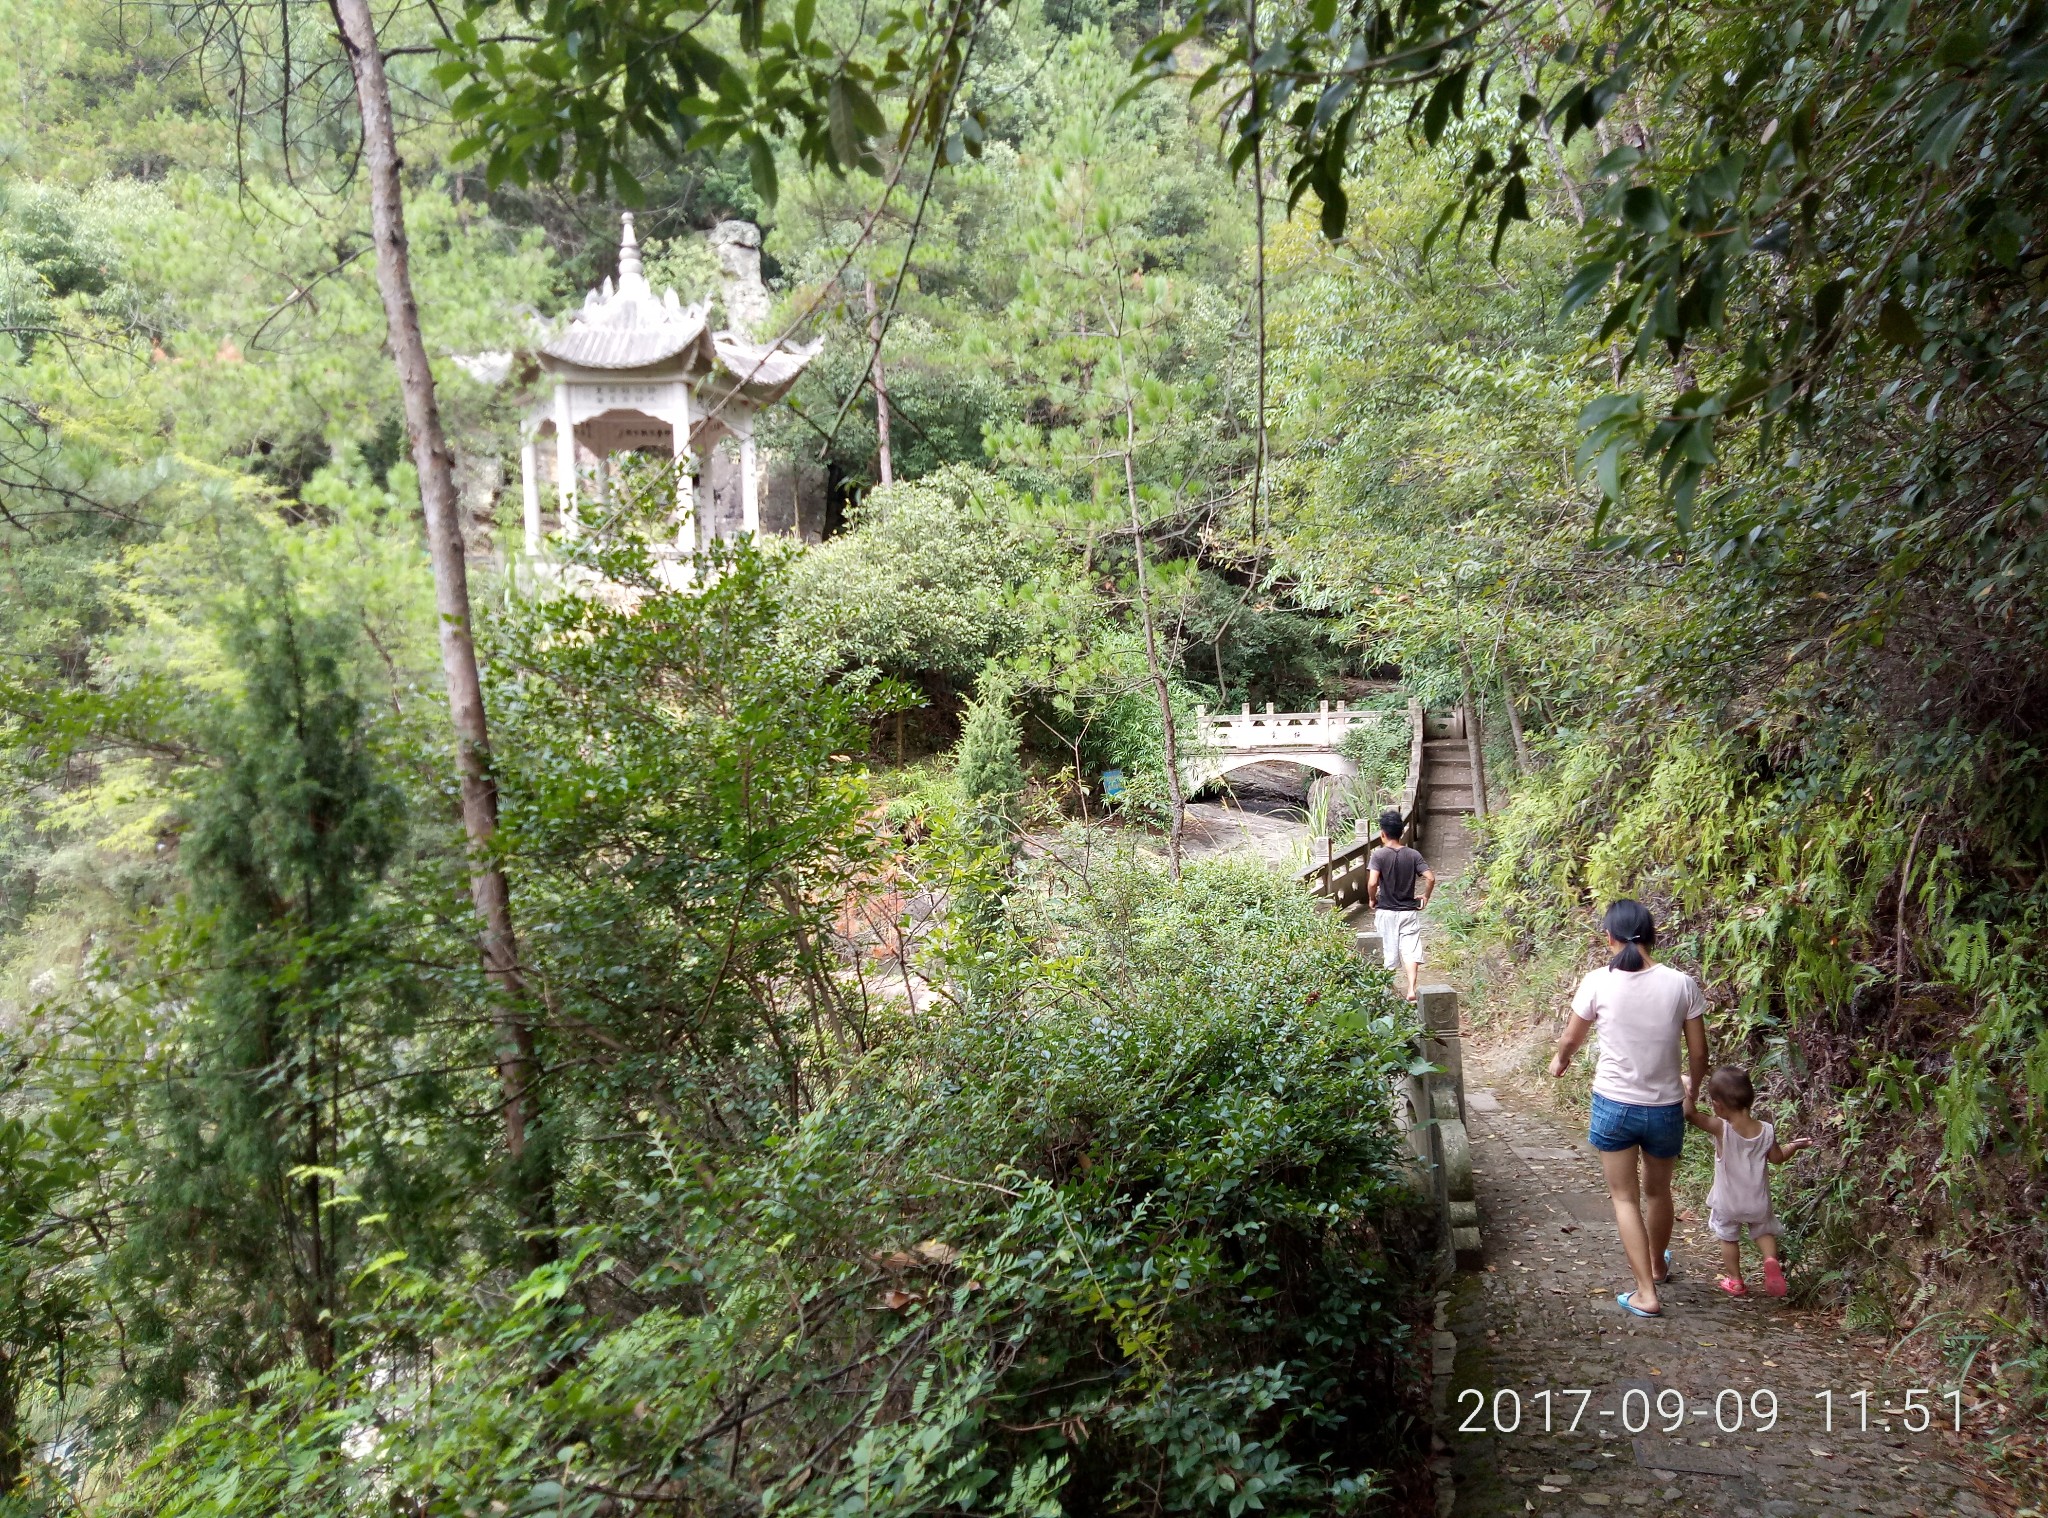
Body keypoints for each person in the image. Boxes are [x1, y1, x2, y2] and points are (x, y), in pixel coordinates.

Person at [1547, 900, 1709, 1319]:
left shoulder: (1597, 982)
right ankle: (1658, 1266)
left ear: (1609, 938)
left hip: (1614, 1104)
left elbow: (1570, 1039)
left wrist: (1560, 1062)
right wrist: (1691, 1094)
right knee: (1658, 1191)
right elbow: (1699, 1052)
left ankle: (1645, 1292)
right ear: (1653, 935)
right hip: (1665, 1108)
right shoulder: (1681, 984)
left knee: (1624, 1199)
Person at [1685, 1065, 1814, 1297]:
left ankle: (1735, 1280)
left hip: (1728, 1202)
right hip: (1758, 1202)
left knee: (1728, 1237)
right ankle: (1770, 1259)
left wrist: (1687, 1091)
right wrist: (1794, 1145)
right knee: (1764, 1231)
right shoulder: (1766, 1130)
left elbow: (1690, 1114)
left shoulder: (1721, 1128)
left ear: (1717, 1105)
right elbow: (1778, 1158)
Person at [1366, 809, 1434, 1001]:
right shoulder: (1413, 855)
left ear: (1382, 833)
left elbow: (1372, 883)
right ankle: (1411, 988)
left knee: (1388, 949)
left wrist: (1372, 898)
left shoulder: (1378, 856)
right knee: (1411, 949)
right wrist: (1425, 897)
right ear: (1401, 832)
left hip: (1386, 911)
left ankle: (1387, 990)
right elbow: (1430, 878)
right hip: (1408, 912)